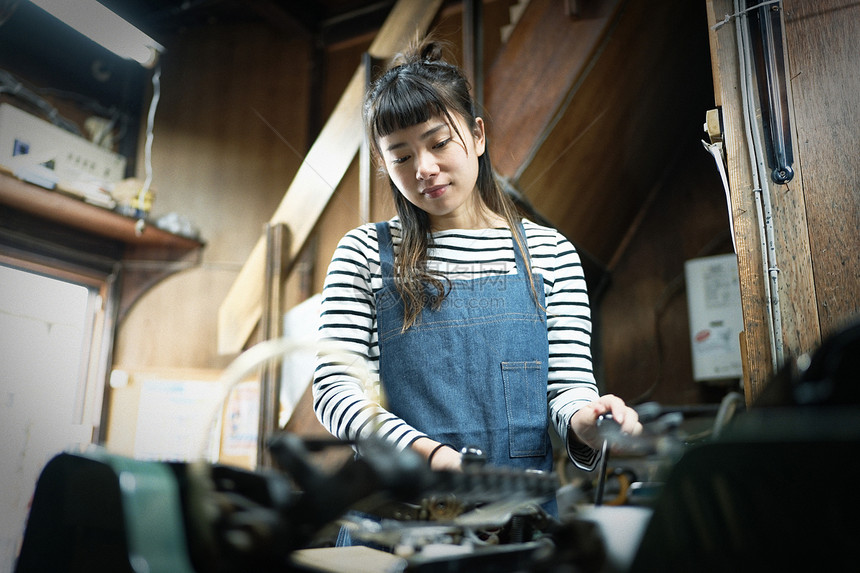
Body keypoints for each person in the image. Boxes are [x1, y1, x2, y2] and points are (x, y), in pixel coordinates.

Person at [312, 39, 641, 490]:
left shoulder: (550, 254)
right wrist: (431, 458)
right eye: (402, 157)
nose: (424, 168)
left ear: (478, 135)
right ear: (385, 166)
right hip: (396, 516)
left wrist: (588, 421)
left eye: (439, 142)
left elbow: (567, 387)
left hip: (514, 519)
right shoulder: (365, 252)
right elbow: (336, 393)